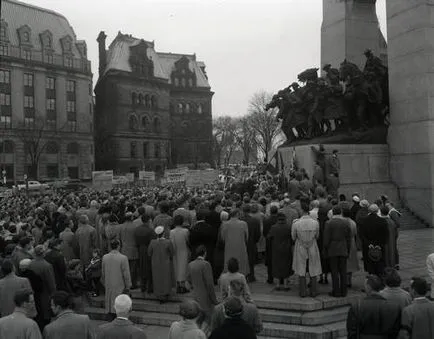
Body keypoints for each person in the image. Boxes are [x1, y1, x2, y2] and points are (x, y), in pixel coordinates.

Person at [346, 275, 401, 339]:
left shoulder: (357, 307)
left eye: (365, 285)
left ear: (368, 287)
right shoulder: (394, 307)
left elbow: (352, 332)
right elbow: (396, 331)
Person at [292, 199, 322, 298]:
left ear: (301, 210)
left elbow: (293, 237)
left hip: (300, 246)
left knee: (301, 268)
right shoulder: (315, 222)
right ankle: (314, 291)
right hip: (312, 246)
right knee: (313, 267)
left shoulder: (296, 223)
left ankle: (303, 292)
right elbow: (317, 236)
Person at [323, 206, 351, 297]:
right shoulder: (346, 222)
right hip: (343, 247)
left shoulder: (329, 223)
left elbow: (326, 238)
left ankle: (336, 291)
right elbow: (348, 238)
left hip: (333, 248)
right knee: (343, 271)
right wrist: (348, 249)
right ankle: (344, 291)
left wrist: (325, 248)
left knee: (334, 271)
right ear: (340, 212)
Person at [101, 239, 132, 320]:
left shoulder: (105, 257)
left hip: (108, 284)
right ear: (118, 246)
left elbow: (103, 273)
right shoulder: (123, 258)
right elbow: (126, 274)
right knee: (119, 305)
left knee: (110, 304)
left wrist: (104, 283)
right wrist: (128, 286)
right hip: (119, 285)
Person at [29, 245, 56, 331]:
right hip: (44, 295)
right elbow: (51, 283)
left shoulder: (30, 264)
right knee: (45, 318)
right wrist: (54, 296)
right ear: (43, 253)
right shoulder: (47, 266)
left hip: (33, 294)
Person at [187, 245, 218, 324]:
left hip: (195, 297)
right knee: (209, 321)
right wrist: (214, 299)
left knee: (199, 320)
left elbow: (188, 280)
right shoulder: (206, 264)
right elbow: (209, 284)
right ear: (205, 253)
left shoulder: (191, 264)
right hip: (206, 298)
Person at [360, 204, 389, 276]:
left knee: (370, 266)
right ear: (377, 211)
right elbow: (385, 236)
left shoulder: (364, 221)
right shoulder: (382, 221)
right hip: (379, 247)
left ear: (369, 210)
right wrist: (379, 245)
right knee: (380, 266)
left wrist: (368, 244)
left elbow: (361, 235)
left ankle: (372, 280)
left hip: (368, 247)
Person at [148, 226, 174, 303]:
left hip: (155, 264)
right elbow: (172, 252)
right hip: (166, 263)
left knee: (157, 279)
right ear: (163, 233)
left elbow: (149, 253)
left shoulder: (152, 242)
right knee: (166, 279)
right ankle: (165, 294)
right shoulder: (168, 242)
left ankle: (159, 295)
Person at [267, 212, 293, 291]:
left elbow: (269, 237)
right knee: (286, 265)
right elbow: (292, 237)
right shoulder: (289, 227)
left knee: (277, 265)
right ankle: (285, 285)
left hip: (276, 249)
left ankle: (278, 284)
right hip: (286, 249)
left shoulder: (274, 227)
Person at [221, 209, 249, 276]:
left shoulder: (225, 224)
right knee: (241, 263)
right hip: (240, 247)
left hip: (229, 247)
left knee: (229, 261)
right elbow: (247, 237)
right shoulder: (243, 223)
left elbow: (222, 238)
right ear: (237, 214)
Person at [134, 214, 156, 293]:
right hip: (148, 249)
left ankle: (143, 286)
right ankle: (149, 287)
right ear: (148, 221)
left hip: (140, 249)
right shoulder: (150, 230)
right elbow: (153, 241)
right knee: (149, 269)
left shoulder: (137, 229)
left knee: (142, 268)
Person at [170, 215, 190, 294]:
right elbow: (188, 241)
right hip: (184, 250)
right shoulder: (185, 231)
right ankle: (183, 285)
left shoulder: (172, 232)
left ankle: (178, 285)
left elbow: (171, 243)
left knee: (177, 268)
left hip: (175, 251)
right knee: (184, 268)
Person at [119, 211, 140, 289]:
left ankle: (126, 283)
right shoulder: (135, 226)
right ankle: (133, 284)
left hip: (124, 249)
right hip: (133, 249)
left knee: (125, 269)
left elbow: (119, 238)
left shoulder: (121, 226)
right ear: (131, 217)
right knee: (133, 269)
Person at [341, 206, 359, 288]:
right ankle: (349, 280)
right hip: (352, 243)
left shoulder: (341, 222)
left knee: (344, 262)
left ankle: (344, 280)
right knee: (351, 262)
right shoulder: (353, 222)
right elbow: (355, 233)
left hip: (344, 242)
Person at [263, 205, 278, 284]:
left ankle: (270, 278)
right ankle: (281, 278)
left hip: (269, 242)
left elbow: (264, 232)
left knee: (270, 260)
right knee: (279, 260)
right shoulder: (278, 220)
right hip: (278, 242)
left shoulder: (266, 220)